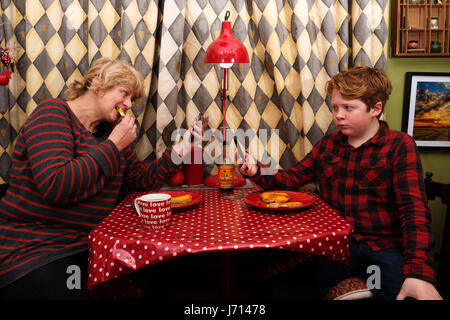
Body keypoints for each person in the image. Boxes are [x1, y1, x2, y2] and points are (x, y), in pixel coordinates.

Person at [0, 57, 206, 299]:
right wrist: (113, 145)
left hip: (88, 247)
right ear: (97, 83)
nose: (128, 104)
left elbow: (141, 180)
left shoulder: (112, 134)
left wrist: (181, 150)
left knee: (164, 277)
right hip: (35, 250)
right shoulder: (53, 115)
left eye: (132, 99)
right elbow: (56, 185)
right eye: (124, 93)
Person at [237, 66, 442, 300]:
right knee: (279, 290)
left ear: (375, 109)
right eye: (335, 107)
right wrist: (256, 171)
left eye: (348, 108)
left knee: (403, 294)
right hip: (339, 248)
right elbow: (291, 180)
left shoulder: (399, 146)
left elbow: (414, 210)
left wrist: (418, 272)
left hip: (384, 250)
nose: (338, 115)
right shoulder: (328, 145)